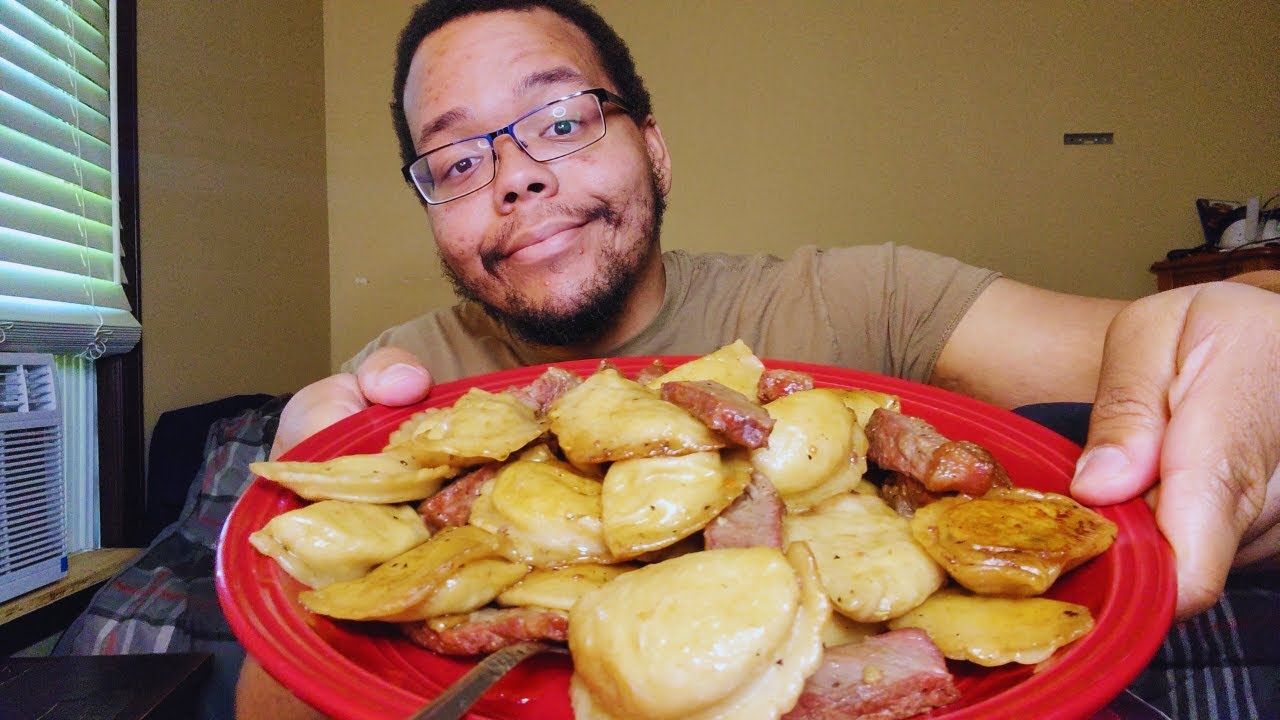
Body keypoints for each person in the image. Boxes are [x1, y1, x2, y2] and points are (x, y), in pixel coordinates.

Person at [237, 1, 1280, 717]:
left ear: (652, 144)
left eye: (559, 119)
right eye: (458, 160)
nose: (513, 178)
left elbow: (1167, 353)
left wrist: (1241, 321)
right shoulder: (397, 400)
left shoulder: (863, 299)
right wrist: (298, 553)